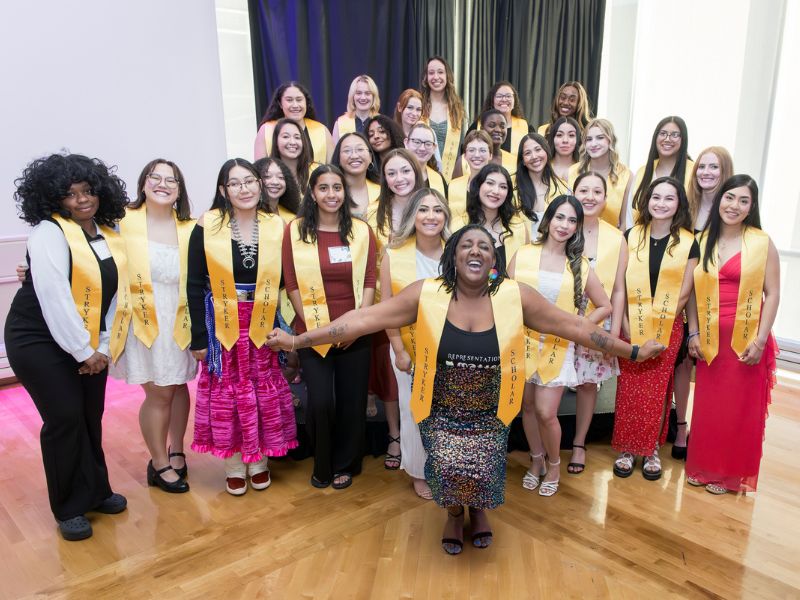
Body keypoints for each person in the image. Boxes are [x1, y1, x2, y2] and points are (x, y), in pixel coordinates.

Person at [266, 224, 664, 554]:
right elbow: (361, 320)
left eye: (485, 247)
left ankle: (478, 511)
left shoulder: (516, 296)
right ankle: (455, 514)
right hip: (439, 404)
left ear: (494, 260)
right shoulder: (426, 293)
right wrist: (300, 342)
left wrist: (632, 351)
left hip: (493, 403)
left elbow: (577, 327)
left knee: (485, 470)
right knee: (448, 469)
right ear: (453, 255)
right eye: (467, 245)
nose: (476, 251)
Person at [5, 153, 130, 541]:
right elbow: (55, 297)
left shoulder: (109, 233)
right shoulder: (49, 232)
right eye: (70, 194)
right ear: (53, 199)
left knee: (90, 415)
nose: (81, 200)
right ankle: (70, 506)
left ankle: (96, 491)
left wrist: (105, 348)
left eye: (87, 191)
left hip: (89, 341)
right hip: (39, 338)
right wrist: (84, 352)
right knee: (65, 418)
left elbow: (117, 297)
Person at [187, 158, 297, 495]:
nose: (243, 189)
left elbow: (289, 278)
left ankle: (259, 461)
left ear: (260, 185)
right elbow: (193, 282)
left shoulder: (276, 225)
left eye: (249, 181)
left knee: (261, 388)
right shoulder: (207, 226)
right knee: (227, 392)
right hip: (221, 322)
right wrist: (198, 337)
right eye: (234, 183)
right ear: (223, 190)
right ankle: (234, 464)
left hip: (263, 318)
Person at [281, 165, 378, 489]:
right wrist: (313, 326)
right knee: (320, 401)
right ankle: (322, 461)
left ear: (344, 192)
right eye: (324, 188)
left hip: (355, 331)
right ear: (312, 192)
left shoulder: (361, 231)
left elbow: (368, 279)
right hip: (312, 330)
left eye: (337, 188)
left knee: (352, 401)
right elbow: (291, 281)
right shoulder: (294, 231)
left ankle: (346, 463)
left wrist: (358, 324)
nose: (332, 194)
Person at [509, 196, 611, 496]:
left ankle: (554, 464)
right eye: (559, 217)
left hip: (557, 346)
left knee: (545, 412)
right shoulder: (524, 253)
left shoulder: (579, 265)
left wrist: (579, 327)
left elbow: (604, 305)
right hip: (523, 341)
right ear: (548, 219)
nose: (564, 225)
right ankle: (536, 460)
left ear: (578, 227)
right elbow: (502, 290)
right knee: (526, 407)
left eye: (571, 221)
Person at [686, 175, 779, 494]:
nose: (734, 206)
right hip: (711, 340)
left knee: (737, 409)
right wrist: (693, 333)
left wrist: (761, 339)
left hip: (745, 341)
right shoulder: (703, 239)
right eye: (729, 198)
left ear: (751, 207)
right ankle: (703, 465)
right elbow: (694, 293)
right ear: (719, 200)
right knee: (709, 407)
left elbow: (774, 292)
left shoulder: (761, 242)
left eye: (743, 200)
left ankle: (727, 473)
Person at [112, 159, 198, 494]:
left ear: (180, 189)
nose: (163, 184)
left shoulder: (189, 227)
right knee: (159, 391)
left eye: (171, 180)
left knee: (178, 386)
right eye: (155, 177)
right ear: (143, 183)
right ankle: (159, 462)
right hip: (142, 317)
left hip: (179, 317)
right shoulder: (122, 221)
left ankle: (177, 450)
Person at [612, 177, 698, 480]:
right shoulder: (631, 235)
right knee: (630, 387)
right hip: (629, 324)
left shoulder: (689, 241)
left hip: (667, 326)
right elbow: (620, 283)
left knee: (658, 389)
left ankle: (651, 450)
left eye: (669, 198)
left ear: (679, 204)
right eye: (656, 197)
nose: (661, 203)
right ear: (646, 200)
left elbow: (685, 292)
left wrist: (657, 326)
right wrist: (624, 324)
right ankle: (626, 447)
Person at [380, 189, 450, 499]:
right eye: (423, 210)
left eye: (438, 210)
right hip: (408, 350)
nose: (431, 216)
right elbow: (387, 308)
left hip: (451, 349)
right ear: (413, 217)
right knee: (415, 411)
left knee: (448, 413)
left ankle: (447, 467)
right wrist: (398, 349)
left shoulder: (457, 252)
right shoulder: (394, 256)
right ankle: (420, 471)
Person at [671, 146, 734, 459]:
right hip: (685, 298)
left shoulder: (732, 212)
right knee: (682, 365)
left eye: (714, 168)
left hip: (718, 304)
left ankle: (709, 430)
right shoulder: (686, 210)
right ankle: (680, 426)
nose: (706, 173)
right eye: (702, 167)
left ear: (725, 172)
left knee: (715, 371)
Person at [569, 172, 627, 474]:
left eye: (596, 191)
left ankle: (579, 443)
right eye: (583, 190)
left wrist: (614, 335)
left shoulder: (617, 238)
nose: (589, 197)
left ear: (606, 199)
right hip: (561, 319)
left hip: (598, 323)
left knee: (588, 384)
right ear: (573, 192)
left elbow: (618, 290)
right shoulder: (562, 227)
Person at [451, 164, 530, 270]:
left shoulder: (519, 228)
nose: (496, 191)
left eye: (503, 187)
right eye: (490, 183)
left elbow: (524, 271)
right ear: (478, 186)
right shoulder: (457, 225)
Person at [628, 116, 694, 228]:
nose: (667, 139)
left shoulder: (694, 171)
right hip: (641, 240)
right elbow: (630, 214)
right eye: (663, 133)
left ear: (683, 139)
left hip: (683, 241)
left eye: (674, 135)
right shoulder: (642, 172)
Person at [568, 118, 632, 229]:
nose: (593, 144)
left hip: (611, 241)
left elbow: (624, 222)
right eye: (589, 139)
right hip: (575, 239)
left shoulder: (626, 175)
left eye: (600, 138)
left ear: (610, 140)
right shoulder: (572, 172)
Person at [254, 81, 333, 163]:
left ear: (306, 102)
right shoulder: (266, 130)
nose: (295, 105)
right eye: (289, 100)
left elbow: (332, 168)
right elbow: (259, 169)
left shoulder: (321, 130)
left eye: (299, 100)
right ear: (280, 104)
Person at [421, 56, 466, 182]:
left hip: (450, 176)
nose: (436, 77)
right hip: (422, 175)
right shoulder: (418, 106)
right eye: (431, 73)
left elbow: (459, 149)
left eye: (440, 72)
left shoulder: (456, 109)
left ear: (447, 76)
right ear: (426, 78)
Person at [465, 81, 533, 157]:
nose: (504, 99)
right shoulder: (477, 126)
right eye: (499, 96)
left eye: (508, 96)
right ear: (492, 101)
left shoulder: (526, 127)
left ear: (515, 101)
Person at [515, 133, 568, 230]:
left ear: (546, 151)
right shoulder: (511, 190)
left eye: (538, 149)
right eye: (527, 153)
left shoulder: (563, 189)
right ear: (522, 160)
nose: (534, 156)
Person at [452, 110, 516, 180]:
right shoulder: (464, 161)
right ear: (482, 128)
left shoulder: (514, 161)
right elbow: (455, 188)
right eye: (492, 125)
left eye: (502, 126)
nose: (498, 129)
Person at [330, 132, 381, 217]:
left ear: (370, 157)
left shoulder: (382, 191)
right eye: (347, 151)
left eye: (360, 149)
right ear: (338, 158)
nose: (354, 156)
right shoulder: (330, 193)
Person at [448, 130, 494, 221]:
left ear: (490, 155)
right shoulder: (453, 186)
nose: (477, 155)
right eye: (471, 150)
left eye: (482, 150)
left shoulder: (498, 187)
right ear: (465, 155)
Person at [269, 118, 318, 193]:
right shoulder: (267, 175)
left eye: (297, 137)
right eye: (286, 137)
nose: (292, 142)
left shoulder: (316, 171)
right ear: (276, 142)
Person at [332, 74, 381, 144]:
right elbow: (335, 153)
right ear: (352, 96)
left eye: (367, 93)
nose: (363, 97)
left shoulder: (382, 122)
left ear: (373, 97)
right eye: (358, 93)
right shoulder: (340, 123)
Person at [253, 156, 302, 222]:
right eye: (267, 176)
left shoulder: (293, 218)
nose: (275, 182)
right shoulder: (249, 216)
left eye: (281, 177)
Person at [404, 122, 447, 196]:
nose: (422, 148)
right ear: (406, 143)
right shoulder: (396, 175)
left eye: (428, 144)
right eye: (417, 142)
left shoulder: (438, 179)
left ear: (434, 148)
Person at [547, 117, 580, 182]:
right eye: (559, 135)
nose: (565, 140)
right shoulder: (542, 168)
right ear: (552, 139)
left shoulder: (582, 170)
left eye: (571, 135)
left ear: (577, 139)